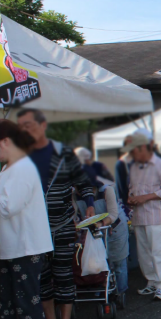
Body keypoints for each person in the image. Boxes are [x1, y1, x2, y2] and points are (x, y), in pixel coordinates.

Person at [18, 109, 95, 319]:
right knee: (42, 278)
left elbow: (84, 184)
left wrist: (89, 204)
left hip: (62, 226)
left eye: (29, 125)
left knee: (63, 275)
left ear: (42, 126)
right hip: (35, 229)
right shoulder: (22, 156)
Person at [0, 120, 53, 319]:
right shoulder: (7, 169)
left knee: (25, 307)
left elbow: (8, 207)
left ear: (5, 141)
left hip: (25, 248)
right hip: (10, 248)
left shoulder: (23, 167)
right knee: (8, 307)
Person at [122, 132, 161, 300]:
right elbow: (132, 188)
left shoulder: (160, 165)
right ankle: (151, 281)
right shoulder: (134, 167)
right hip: (139, 215)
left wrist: (144, 197)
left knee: (158, 250)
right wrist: (130, 198)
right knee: (143, 251)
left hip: (156, 214)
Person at [76, 167, 130, 297]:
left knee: (118, 262)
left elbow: (113, 213)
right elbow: (75, 215)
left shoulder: (107, 190)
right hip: (94, 233)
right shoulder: (74, 195)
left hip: (114, 229)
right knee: (99, 263)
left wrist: (100, 224)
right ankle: (102, 290)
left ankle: (121, 292)